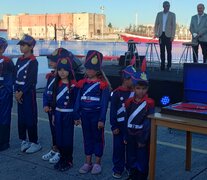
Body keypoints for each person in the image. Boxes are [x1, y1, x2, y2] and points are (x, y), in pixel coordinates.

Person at [75, 50, 110, 175]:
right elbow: (78, 100)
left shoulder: (103, 86)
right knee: (87, 138)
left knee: (98, 139)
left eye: (92, 68)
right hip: (85, 115)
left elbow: (104, 105)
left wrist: (102, 119)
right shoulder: (83, 84)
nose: (89, 71)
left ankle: (97, 162)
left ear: (98, 69)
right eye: (87, 68)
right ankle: (87, 162)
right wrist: (76, 115)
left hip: (96, 116)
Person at [125, 70, 155, 180]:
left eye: (144, 88)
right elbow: (126, 120)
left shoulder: (149, 103)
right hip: (130, 133)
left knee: (142, 157)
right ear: (133, 88)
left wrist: (143, 139)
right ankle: (132, 174)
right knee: (131, 156)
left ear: (147, 89)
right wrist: (125, 135)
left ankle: (141, 176)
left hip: (141, 134)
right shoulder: (129, 102)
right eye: (138, 88)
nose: (141, 91)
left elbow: (148, 123)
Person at [14, 34, 41, 153]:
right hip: (19, 91)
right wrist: (16, 92)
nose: (21, 47)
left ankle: (34, 142)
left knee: (30, 117)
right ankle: (24, 139)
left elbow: (31, 80)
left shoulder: (33, 62)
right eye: (20, 45)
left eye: (24, 45)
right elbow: (15, 76)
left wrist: (21, 92)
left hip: (28, 93)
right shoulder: (19, 60)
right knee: (21, 118)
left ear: (31, 47)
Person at [42, 48, 70, 164]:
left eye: (53, 60)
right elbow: (46, 92)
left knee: (60, 132)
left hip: (58, 109)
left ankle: (60, 151)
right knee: (53, 130)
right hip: (50, 108)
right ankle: (54, 148)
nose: (50, 62)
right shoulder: (51, 76)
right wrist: (45, 104)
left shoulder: (62, 79)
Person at [52, 52, 78, 171]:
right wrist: (53, 115)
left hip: (68, 114)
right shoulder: (56, 84)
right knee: (59, 138)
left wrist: (77, 116)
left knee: (67, 139)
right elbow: (53, 101)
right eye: (60, 69)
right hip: (58, 114)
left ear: (70, 71)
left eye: (65, 69)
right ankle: (62, 158)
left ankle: (68, 160)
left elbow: (77, 103)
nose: (62, 72)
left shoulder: (74, 86)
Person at [110, 65, 136, 179]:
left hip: (131, 127)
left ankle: (130, 168)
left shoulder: (135, 94)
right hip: (119, 127)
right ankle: (118, 168)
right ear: (125, 79)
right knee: (118, 148)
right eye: (132, 79)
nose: (135, 81)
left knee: (131, 149)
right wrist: (113, 126)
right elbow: (112, 111)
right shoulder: (116, 93)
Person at [0, 37, 14, 151]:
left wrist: (7, 91)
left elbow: (12, 77)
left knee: (4, 117)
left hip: (4, 92)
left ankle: (4, 142)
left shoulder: (8, 62)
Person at [154, 1, 176, 71]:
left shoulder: (172, 14)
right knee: (162, 51)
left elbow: (174, 26)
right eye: (166, 6)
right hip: (161, 35)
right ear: (163, 6)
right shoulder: (159, 14)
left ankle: (169, 65)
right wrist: (156, 33)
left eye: (168, 6)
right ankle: (162, 65)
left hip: (169, 35)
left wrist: (172, 36)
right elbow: (156, 24)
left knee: (169, 51)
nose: (167, 7)